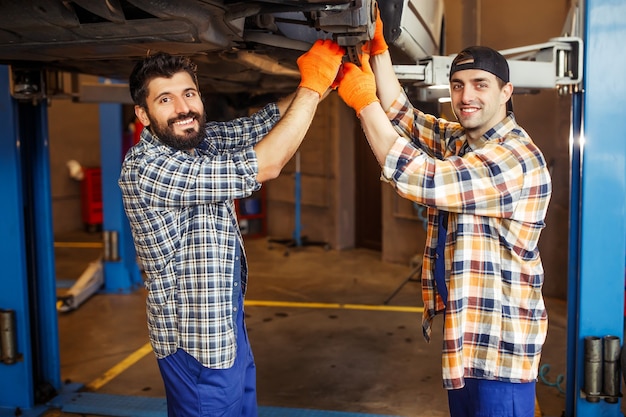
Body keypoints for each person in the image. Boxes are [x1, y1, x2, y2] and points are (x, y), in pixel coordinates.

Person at [336, 10, 552, 417]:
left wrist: (363, 104)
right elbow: (405, 118)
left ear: (507, 92)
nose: (466, 96)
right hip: (468, 341)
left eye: (480, 85)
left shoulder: (513, 157)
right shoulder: (464, 141)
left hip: (499, 351)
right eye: (457, 85)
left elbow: (423, 177)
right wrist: (379, 49)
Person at [118, 40, 344, 417]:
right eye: (165, 100)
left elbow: (264, 122)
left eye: (189, 94)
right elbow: (265, 165)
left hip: (223, 323)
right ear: (143, 114)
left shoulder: (197, 143)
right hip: (194, 342)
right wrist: (313, 85)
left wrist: (324, 84)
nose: (183, 108)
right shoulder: (149, 167)